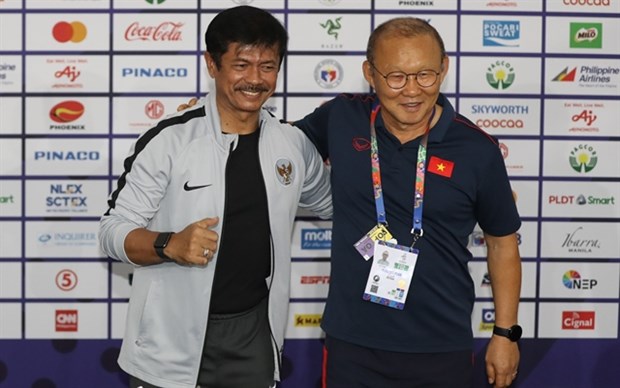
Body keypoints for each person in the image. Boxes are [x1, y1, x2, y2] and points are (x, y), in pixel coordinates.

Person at [179, 16, 522, 388]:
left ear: (444, 69)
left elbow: (503, 243)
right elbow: (275, 144)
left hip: (440, 345)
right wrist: (206, 120)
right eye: (395, 76)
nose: (412, 91)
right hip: (352, 345)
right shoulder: (342, 117)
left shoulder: (477, 149)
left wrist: (505, 334)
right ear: (370, 74)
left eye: (425, 75)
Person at [99, 6, 332, 388]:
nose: (255, 79)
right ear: (212, 64)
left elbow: (336, 203)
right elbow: (111, 232)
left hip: (254, 336)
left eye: (268, 66)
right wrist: (170, 244)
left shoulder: (292, 145)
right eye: (241, 65)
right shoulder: (170, 140)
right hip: (168, 341)